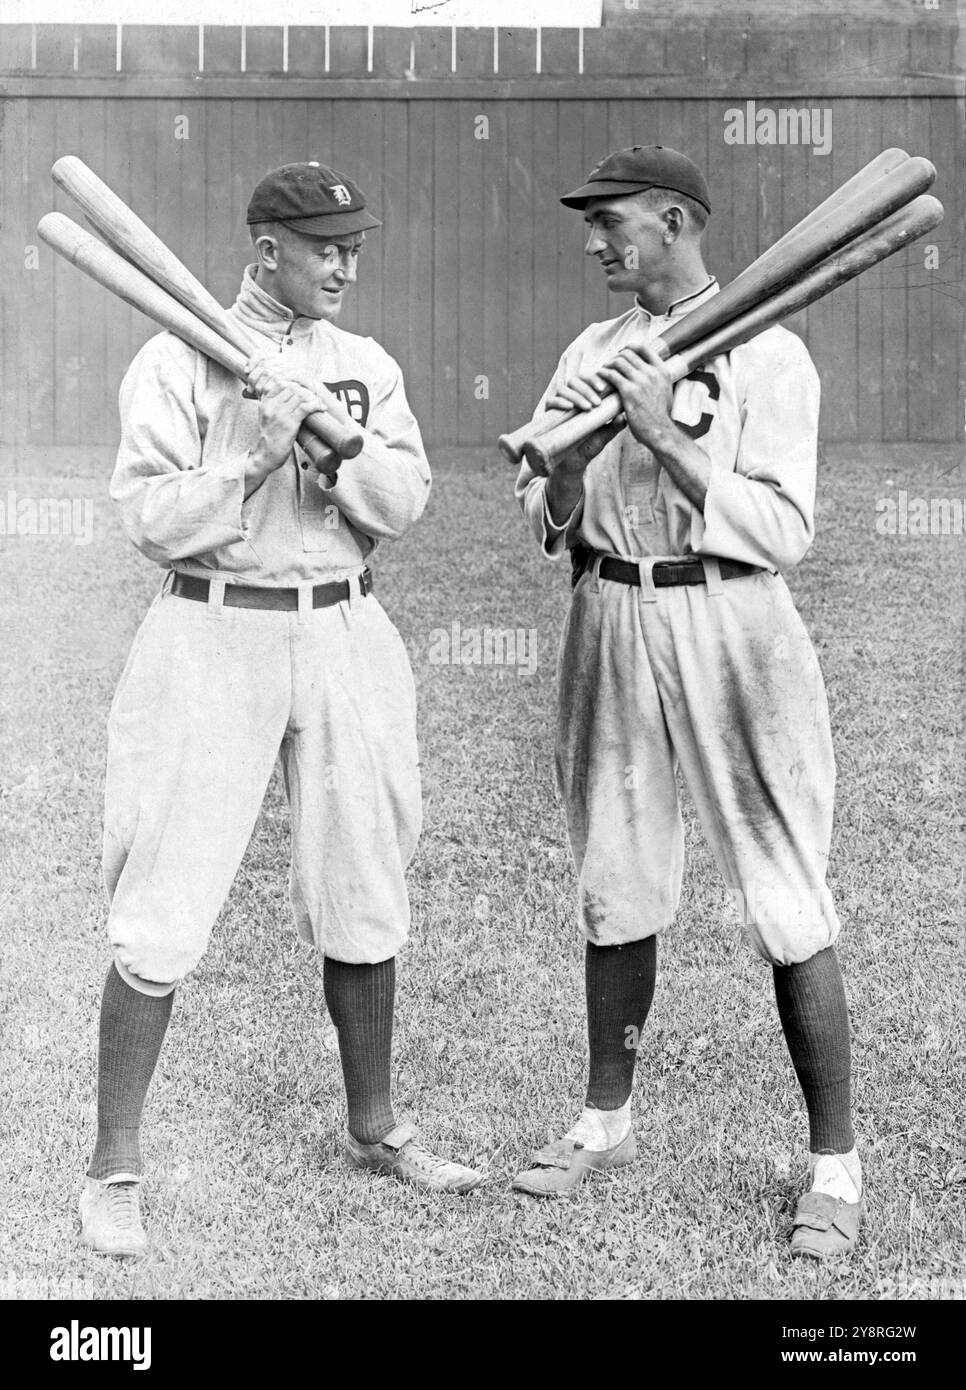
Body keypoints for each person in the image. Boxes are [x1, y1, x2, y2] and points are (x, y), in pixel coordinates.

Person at [80, 161, 481, 1258]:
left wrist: (336, 444)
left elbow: (405, 502)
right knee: (165, 891)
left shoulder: (366, 366)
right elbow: (148, 518)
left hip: (345, 624)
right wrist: (251, 461)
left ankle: (377, 1124)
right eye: (322, 246)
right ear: (267, 248)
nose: (345, 263)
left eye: (353, 244)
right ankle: (114, 1164)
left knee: (365, 875)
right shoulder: (173, 355)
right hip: (213, 627)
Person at [512, 146, 861, 1259]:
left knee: (784, 890)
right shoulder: (592, 349)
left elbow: (787, 529)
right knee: (615, 877)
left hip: (732, 624)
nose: (594, 242)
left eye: (610, 222)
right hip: (611, 613)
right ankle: (604, 1121)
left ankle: (836, 1169)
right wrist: (570, 465)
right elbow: (546, 510)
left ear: (673, 220)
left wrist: (660, 434)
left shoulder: (771, 350)